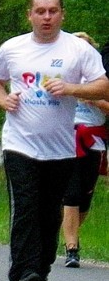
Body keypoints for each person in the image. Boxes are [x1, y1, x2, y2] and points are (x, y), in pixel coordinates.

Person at [0, 0, 109, 281]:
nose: (47, 17)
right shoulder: (13, 48)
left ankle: (40, 269)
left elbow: (103, 84)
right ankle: (24, 272)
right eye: (40, 11)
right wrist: (4, 100)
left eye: (53, 11)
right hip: (19, 143)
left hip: (62, 148)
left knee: (50, 212)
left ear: (62, 14)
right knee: (25, 207)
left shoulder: (78, 50)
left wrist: (70, 87)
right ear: (30, 15)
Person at [60, 31, 109, 268]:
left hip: (93, 139)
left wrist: (95, 99)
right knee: (71, 192)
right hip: (66, 138)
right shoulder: (61, 76)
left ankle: (64, 234)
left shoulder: (101, 81)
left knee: (85, 197)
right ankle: (72, 247)